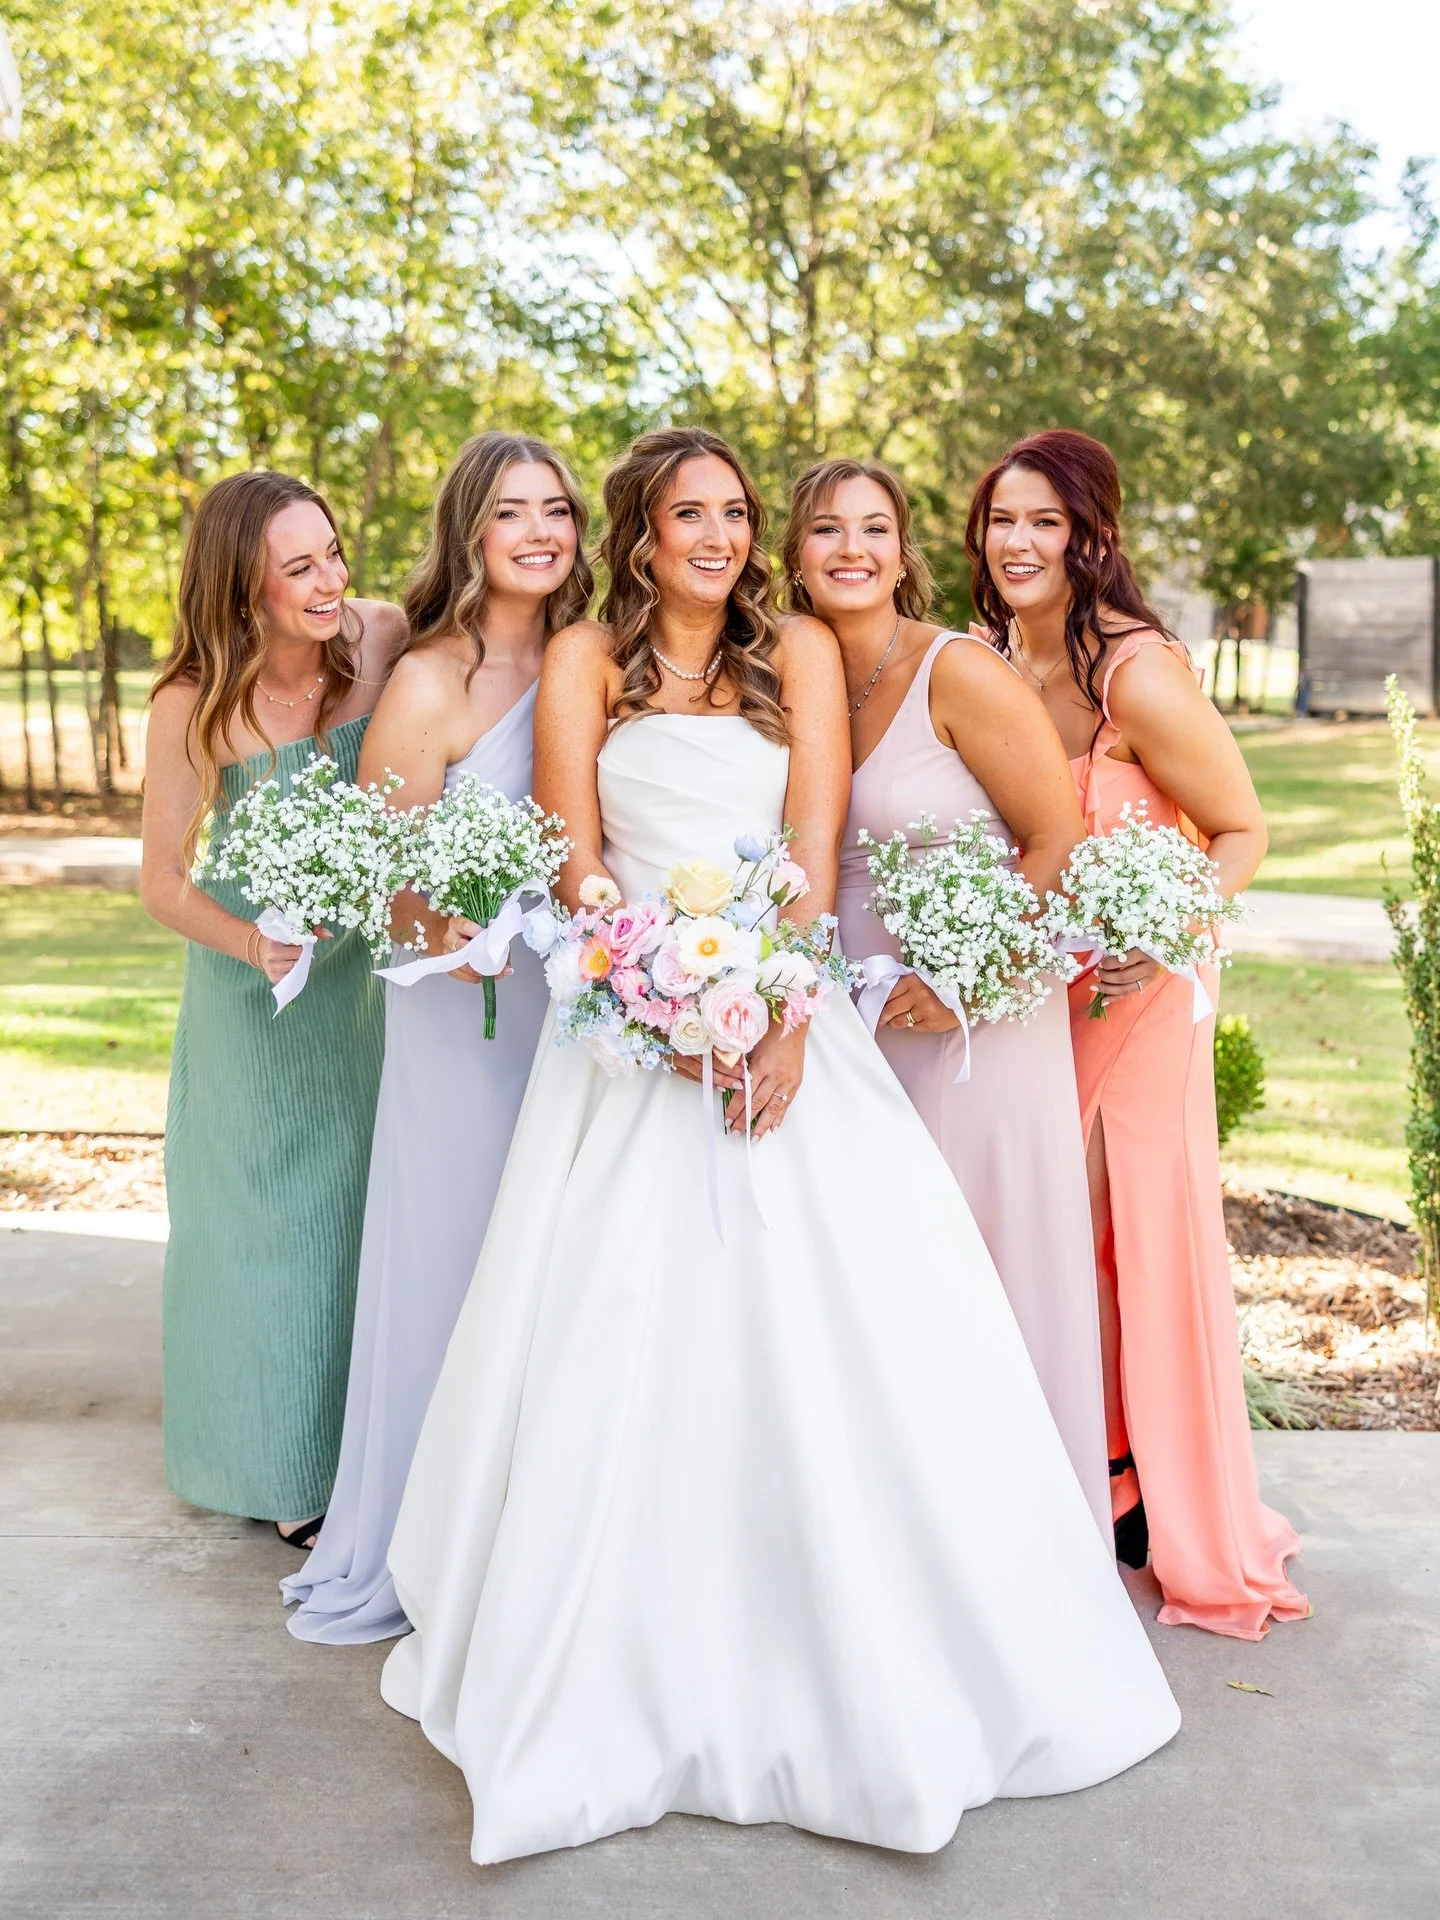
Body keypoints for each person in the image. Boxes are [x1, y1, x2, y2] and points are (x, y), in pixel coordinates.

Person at [378, 426, 1179, 1866]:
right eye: (691, 513)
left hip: (790, 1021)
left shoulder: (799, 653)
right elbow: (573, 862)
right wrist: (659, 999)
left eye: (738, 512)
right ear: (642, 530)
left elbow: (812, 850)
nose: (721, 535)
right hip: (626, 1039)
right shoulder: (584, 665)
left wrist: (781, 1011)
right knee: (617, 1331)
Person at [965, 426, 1308, 1640]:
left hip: (1137, 996)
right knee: (1058, 1240)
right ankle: (1094, 1469)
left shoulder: (1138, 673)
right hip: (1035, 999)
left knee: (1129, 1238)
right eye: (1002, 519)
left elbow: (1241, 830)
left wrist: (1163, 934)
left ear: (1090, 534)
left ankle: (1161, 1497)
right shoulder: (990, 662)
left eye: (1044, 522)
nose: (1018, 542)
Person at [283, 432, 592, 1643]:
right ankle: (423, 1537)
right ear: (469, 530)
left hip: (569, 1006)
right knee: (457, 1257)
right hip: (456, 1007)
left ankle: (528, 1528)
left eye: (557, 509)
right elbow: (380, 885)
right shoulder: (430, 681)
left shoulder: (588, 661)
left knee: (556, 1259)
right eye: (510, 510)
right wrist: (458, 914)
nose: (538, 531)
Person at [789, 457, 1108, 1532]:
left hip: (974, 1022)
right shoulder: (787, 672)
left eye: (873, 530)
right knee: (883, 1281)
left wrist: (960, 973)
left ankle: (1023, 1529)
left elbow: (1058, 835)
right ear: (792, 551)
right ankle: (912, 1534)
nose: (850, 551)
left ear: (903, 550)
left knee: (986, 1257)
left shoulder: (958, 672)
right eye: (826, 530)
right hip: (849, 1024)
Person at [141, 470, 405, 1543]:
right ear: (243, 589)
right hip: (252, 987)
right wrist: (255, 942)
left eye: (334, 551)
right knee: (261, 1228)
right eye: (299, 568)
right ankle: (270, 1464)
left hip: (358, 989)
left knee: (348, 1214)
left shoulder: (379, 640)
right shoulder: (193, 701)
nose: (331, 580)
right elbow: (161, 881)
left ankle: (358, 1453)